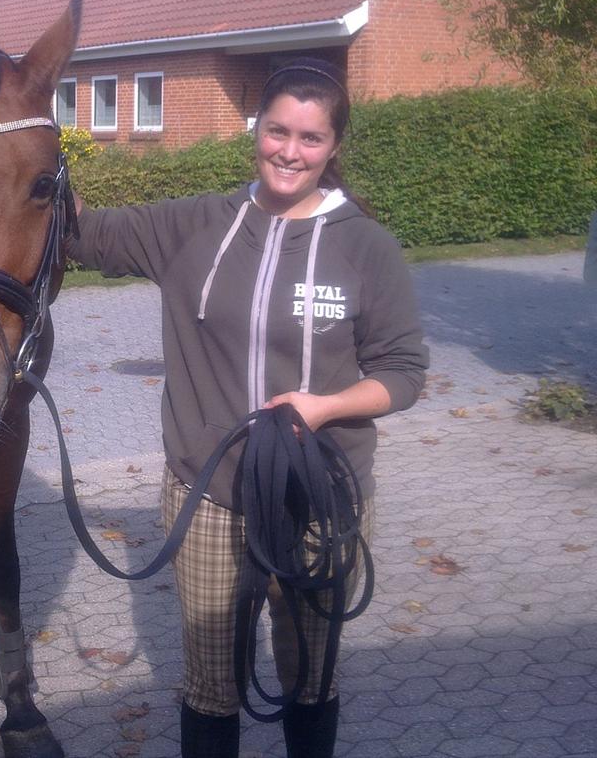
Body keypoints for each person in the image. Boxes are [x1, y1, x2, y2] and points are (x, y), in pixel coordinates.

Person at [67, 58, 428, 758]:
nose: (290, 151)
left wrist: (323, 407)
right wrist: (30, 150)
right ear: (255, 130)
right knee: (210, 686)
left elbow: (403, 373)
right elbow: (85, 232)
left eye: (311, 138)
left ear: (333, 146)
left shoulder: (366, 246)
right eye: (277, 131)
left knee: (311, 678)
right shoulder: (196, 225)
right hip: (210, 496)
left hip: (321, 496)